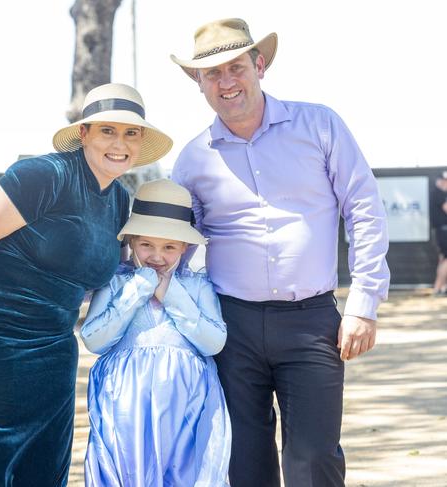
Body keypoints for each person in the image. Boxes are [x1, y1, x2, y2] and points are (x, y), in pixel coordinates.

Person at [0, 83, 173, 486]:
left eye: (131, 133)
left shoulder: (121, 202)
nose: (119, 143)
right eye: (107, 130)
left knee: (40, 469)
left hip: (53, 344)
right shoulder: (46, 175)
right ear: (84, 133)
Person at [170, 18, 390, 487]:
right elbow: (177, 251)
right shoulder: (191, 159)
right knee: (243, 462)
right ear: (198, 83)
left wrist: (363, 305)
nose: (226, 82)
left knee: (314, 461)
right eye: (213, 74)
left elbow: (365, 210)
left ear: (260, 65)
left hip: (312, 322)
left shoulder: (320, 125)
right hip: (231, 328)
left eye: (236, 67)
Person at [80, 178, 231, 487]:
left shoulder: (197, 286)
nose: (157, 256)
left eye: (169, 247)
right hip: (125, 401)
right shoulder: (116, 283)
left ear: (185, 247)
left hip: (185, 400)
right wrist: (136, 291)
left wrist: (171, 294)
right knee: (129, 470)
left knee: (183, 470)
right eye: (146, 244)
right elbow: (94, 338)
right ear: (131, 242)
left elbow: (214, 342)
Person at [431, 172, 447, 295]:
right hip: (443, 231)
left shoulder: (438, 193)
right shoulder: (439, 193)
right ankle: (438, 288)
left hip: (441, 231)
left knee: (443, 259)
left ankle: (441, 288)